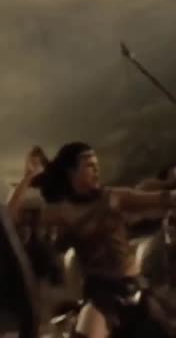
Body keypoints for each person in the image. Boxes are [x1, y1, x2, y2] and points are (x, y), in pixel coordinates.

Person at [21, 142, 176, 338]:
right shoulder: (63, 211)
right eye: (89, 165)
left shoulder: (113, 197)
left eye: (97, 165)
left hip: (136, 289)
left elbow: (162, 199)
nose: (97, 170)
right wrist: (28, 177)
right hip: (102, 297)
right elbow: (10, 216)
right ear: (72, 173)